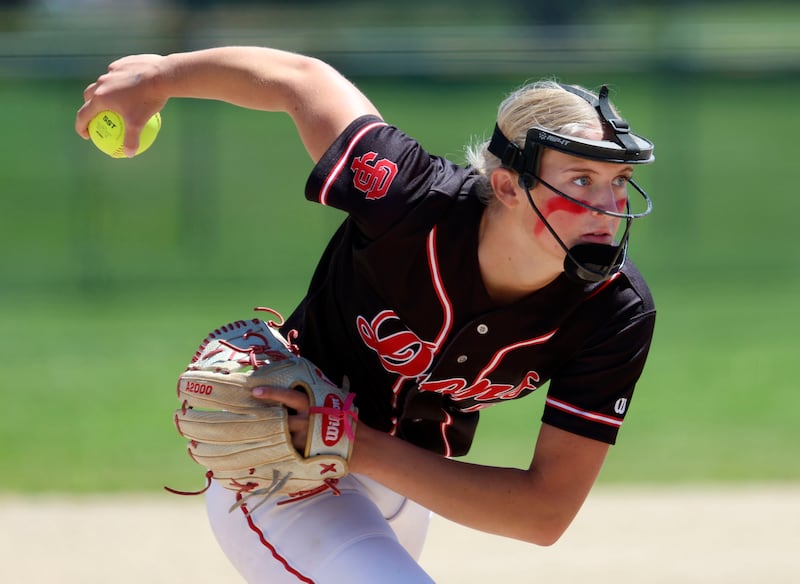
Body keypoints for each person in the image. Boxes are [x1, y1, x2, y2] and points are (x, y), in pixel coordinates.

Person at [76, 46, 656, 583]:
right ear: (506, 186)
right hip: (287, 467)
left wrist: (356, 444)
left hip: (405, 488)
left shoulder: (614, 310)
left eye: (620, 181)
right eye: (581, 179)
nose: (609, 207)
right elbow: (301, 80)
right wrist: (159, 75)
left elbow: (543, 513)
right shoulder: (409, 198)